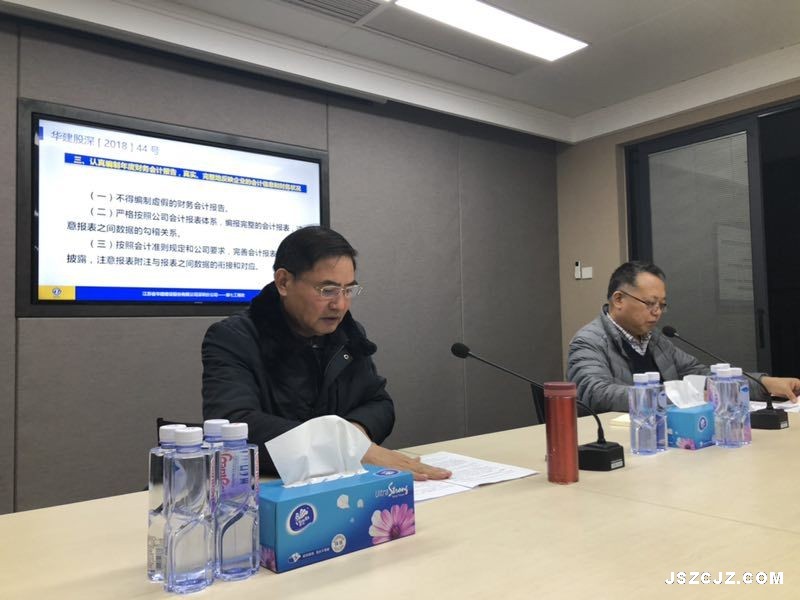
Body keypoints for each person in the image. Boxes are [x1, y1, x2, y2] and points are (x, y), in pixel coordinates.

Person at [202, 226, 450, 481]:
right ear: (284, 282)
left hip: (340, 481)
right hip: (269, 486)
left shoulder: (348, 335)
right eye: (327, 290)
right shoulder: (234, 337)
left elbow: (378, 403)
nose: (340, 305)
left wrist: (355, 433)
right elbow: (233, 425)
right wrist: (344, 447)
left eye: (348, 290)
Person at [567, 261, 800, 413]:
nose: (657, 312)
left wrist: (764, 384)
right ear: (619, 299)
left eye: (662, 305)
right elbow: (595, 395)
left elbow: (701, 375)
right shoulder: (588, 341)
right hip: (623, 442)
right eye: (650, 303)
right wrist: (680, 395)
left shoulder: (656, 340)